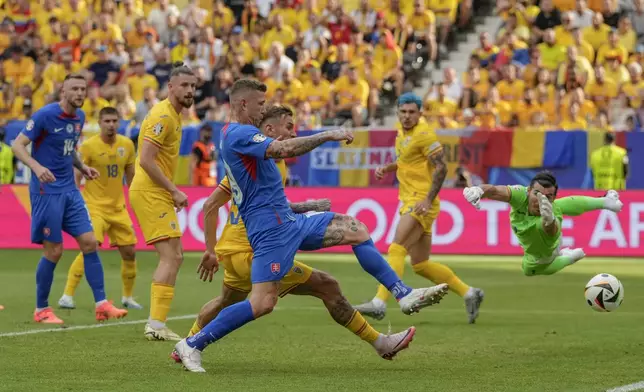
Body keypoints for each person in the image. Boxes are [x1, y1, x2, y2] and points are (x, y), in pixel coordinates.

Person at [173, 79, 448, 372]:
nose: (264, 110)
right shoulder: (241, 135)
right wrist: (328, 134)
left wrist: (307, 206)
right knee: (263, 303)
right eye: (261, 104)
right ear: (244, 104)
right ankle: (192, 344)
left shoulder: (249, 143)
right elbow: (281, 152)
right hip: (268, 236)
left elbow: (261, 193)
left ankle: (402, 294)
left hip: (288, 223)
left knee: (356, 229)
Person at [355, 93, 484, 324]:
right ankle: (470, 292)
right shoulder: (402, 132)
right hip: (412, 199)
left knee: (396, 248)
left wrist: (427, 199)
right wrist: (390, 167)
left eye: (412, 112)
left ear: (420, 113)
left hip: (420, 201)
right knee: (421, 264)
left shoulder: (424, 135)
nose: (407, 116)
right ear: (398, 112)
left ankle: (379, 302)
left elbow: (442, 168)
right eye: (403, 112)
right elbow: (409, 159)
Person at [11, 74, 128, 324]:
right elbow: (17, 145)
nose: (79, 93)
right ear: (63, 91)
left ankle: (102, 304)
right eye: (74, 89)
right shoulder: (45, 115)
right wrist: (36, 167)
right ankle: (41, 309)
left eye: (83, 89)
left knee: (89, 243)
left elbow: (69, 147)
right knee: (54, 251)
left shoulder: (80, 117)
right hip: (46, 191)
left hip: (70, 191)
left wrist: (83, 167)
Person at [128, 62, 197, 341]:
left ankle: (157, 324)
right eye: (184, 85)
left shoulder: (175, 115)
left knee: (176, 256)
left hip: (156, 191)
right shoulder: (163, 116)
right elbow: (145, 159)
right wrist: (174, 190)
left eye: (193, 86)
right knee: (171, 256)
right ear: (171, 87)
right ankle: (155, 326)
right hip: (149, 191)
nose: (190, 90)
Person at [58, 107, 142, 311]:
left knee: (130, 252)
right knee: (90, 246)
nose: (111, 125)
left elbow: (130, 176)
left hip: (118, 208)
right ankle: (67, 295)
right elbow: (76, 174)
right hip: (94, 206)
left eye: (114, 120)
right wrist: (74, 197)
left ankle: (128, 297)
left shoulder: (127, 145)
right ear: (100, 122)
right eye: (107, 121)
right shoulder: (89, 146)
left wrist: (137, 198)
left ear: (119, 121)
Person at [462, 171, 623, 276]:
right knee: (563, 205)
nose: (540, 200)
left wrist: (549, 220)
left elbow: (551, 231)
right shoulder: (521, 195)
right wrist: (479, 190)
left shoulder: (553, 211)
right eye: (537, 193)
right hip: (542, 225)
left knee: (528, 269)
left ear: (553, 197)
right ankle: (606, 202)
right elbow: (495, 191)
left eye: (548, 196)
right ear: (529, 190)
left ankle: (568, 258)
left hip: (545, 249)